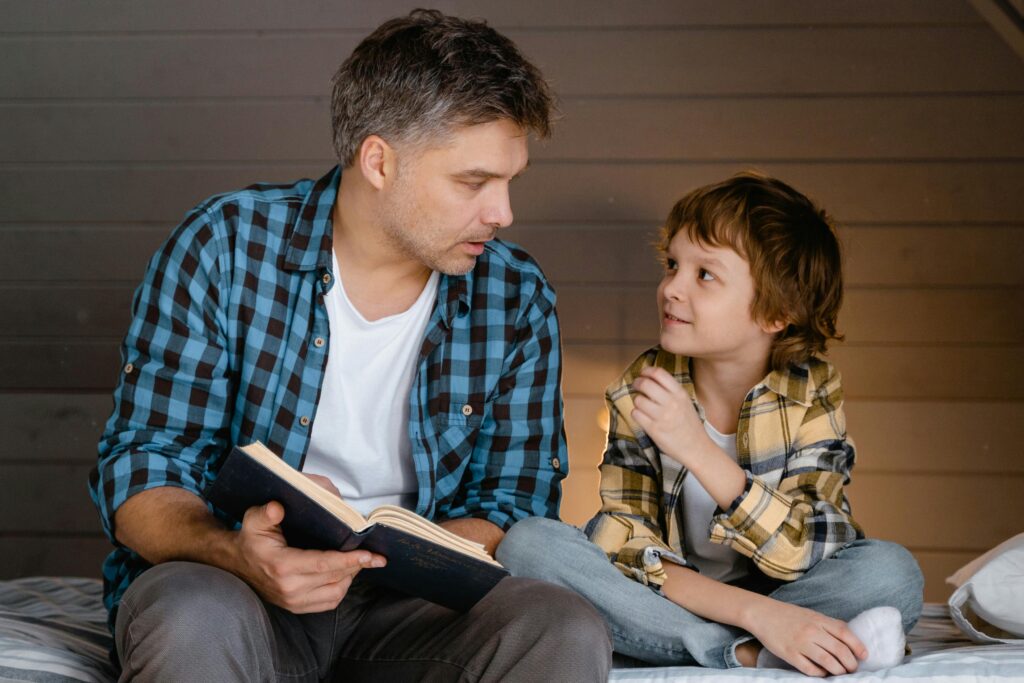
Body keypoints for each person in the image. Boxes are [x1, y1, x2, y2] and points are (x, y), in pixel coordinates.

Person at [88, 10, 611, 682]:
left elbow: (514, 503)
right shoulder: (224, 246)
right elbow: (142, 467)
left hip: (414, 605)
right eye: (474, 182)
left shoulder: (514, 294)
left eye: (510, 181)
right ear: (379, 161)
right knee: (190, 616)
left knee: (561, 627)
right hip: (234, 586)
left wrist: (369, 553)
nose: (503, 213)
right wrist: (238, 550)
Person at [497, 173, 924, 676]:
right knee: (527, 545)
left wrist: (696, 448)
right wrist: (759, 617)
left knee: (892, 573)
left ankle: (695, 642)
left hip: (789, 588)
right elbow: (627, 540)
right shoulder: (643, 385)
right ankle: (749, 651)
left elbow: (809, 546)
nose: (670, 288)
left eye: (705, 275)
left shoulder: (812, 390)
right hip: (681, 596)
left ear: (776, 312)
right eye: (673, 264)